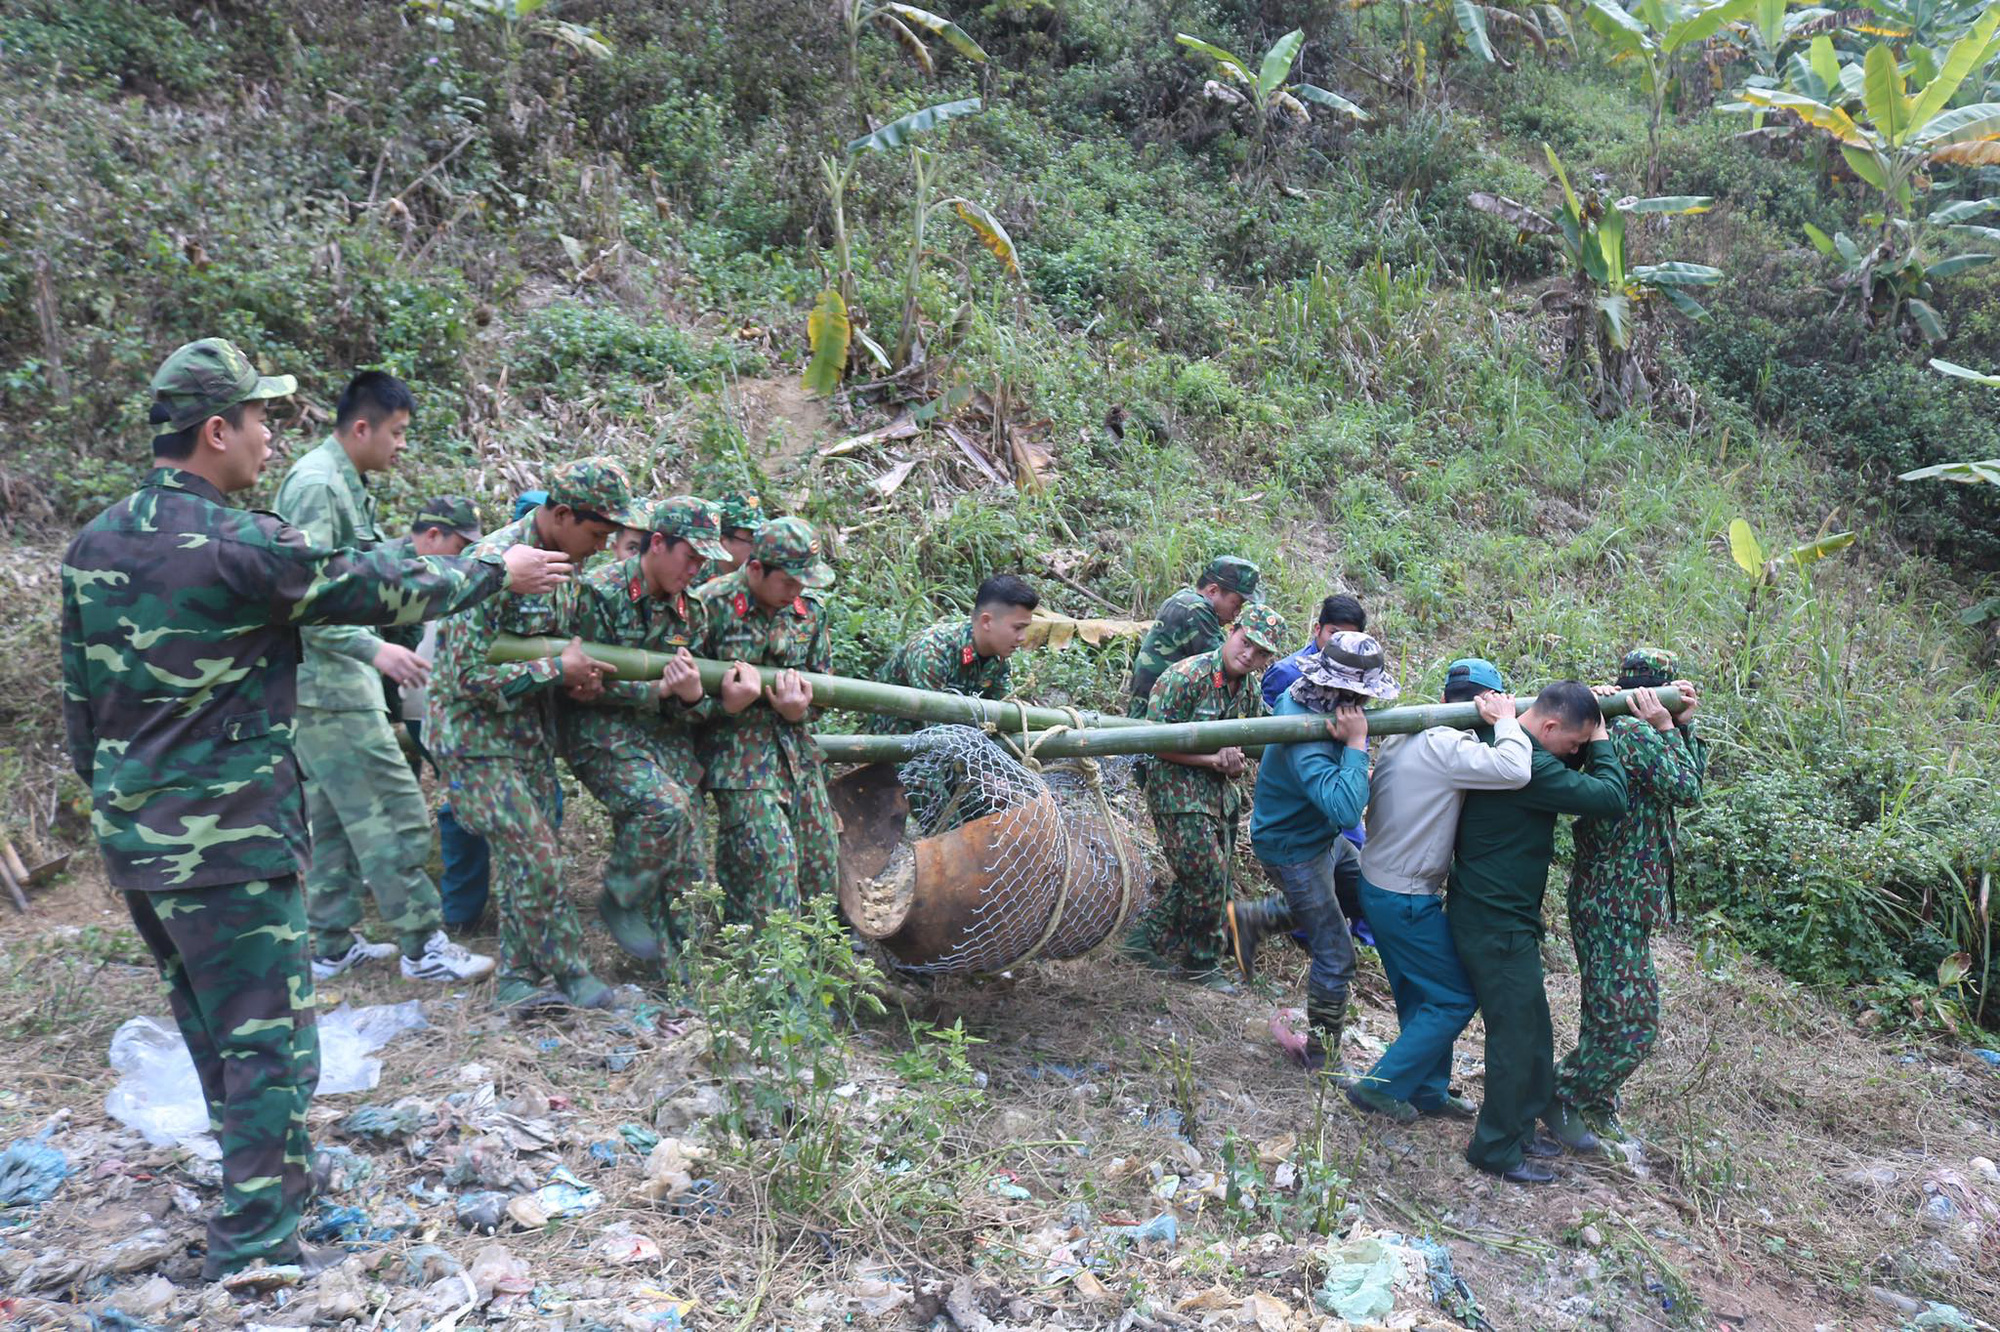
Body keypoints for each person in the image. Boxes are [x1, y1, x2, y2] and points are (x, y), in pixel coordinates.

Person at [59, 338, 567, 1278]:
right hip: (227, 843)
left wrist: (127, 811)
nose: (268, 438)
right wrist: (497, 568)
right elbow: (374, 586)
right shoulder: (238, 543)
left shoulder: (96, 541)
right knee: (269, 1046)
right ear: (217, 430)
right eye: (258, 420)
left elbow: (80, 713)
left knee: (215, 1031)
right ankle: (255, 1243)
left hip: (138, 840)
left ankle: (270, 1184)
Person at [272, 372, 494, 985]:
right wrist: (374, 649)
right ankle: (424, 946)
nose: (401, 446)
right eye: (396, 434)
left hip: (331, 687)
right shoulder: (317, 486)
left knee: (341, 820)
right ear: (362, 427)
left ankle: (330, 944)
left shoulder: (342, 483)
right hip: (332, 687)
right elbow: (306, 599)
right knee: (394, 809)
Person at [429, 459, 643, 1010]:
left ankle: (519, 980)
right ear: (564, 514)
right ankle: (573, 975)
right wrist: (555, 671)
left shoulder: (567, 564)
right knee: (537, 853)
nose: (600, 547)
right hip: (473, 739)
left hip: (527, 737)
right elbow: (462, 676)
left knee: (533, 858)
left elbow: (562, 651)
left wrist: (579, 683)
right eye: (597, 534)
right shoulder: (490, 564)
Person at [1448, 681, 1627, 1184]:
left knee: (1534, 1029)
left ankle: (1521, 1127)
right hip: (1495, 922)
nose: (1576, 754)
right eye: (1573, 744)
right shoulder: (1527, 766)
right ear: (1549, 726)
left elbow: (1560, 767)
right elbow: (1610, 796)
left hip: (1502, 918)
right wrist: (1602, 739)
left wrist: (1588, 719)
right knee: (1515, 1037)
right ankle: (1496, 1148)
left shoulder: (1519, 750)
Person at [1341, 658, 1532, 1123]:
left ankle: (1427, 1089)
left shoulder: (1411, 728)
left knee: (1418, 993)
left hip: (1381, 882)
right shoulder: (1447, 744)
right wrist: (1507, 724)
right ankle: (1379, 1087)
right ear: (1485, 702)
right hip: (1404, 895)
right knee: (1454, 997)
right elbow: (1515, 770)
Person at [559, 496, 731, 965]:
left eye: (703, 560)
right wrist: (652, 691)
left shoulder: (693, 611)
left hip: (665, 740)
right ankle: (619, 897)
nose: (695, 568)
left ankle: (676, 973)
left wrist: (693, 696)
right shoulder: (599, 593)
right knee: (664, 807)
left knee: (691, 861)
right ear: (657, 543)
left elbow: (692, 707)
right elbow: (577, 687)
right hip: (603, 732)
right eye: (689, 556)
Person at [1550, 649, 1705, 1146]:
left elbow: (1689, 772)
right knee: (1633, 1021)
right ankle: (1562, 1096)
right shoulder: (1630, 734)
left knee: (1606, 1012)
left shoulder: (1636, 732)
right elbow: (1688, 788)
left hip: (1624, 902)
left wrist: (1682, 727)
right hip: (1609, 901)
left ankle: (1597, 1102)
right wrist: (1662, 726)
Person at [1231, 632, 1399, 1071]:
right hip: (1294, 847)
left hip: (1320, 838)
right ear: (1337, 688)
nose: (1363, 704)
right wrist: (1357, 745)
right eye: (1358, 695)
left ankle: (1255, 917)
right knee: (1336, 953)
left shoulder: (1328, 704)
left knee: (1364, 899)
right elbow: (1345, 808)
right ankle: (1320, 1056)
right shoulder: (1304, 724)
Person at [1120, 603, 1287, 989]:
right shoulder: (1186, 677)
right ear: (1232, 632)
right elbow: (1154, 743)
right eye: (1246, 643)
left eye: (1260, 653)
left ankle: (1143, 941)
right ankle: (1201, 963)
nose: (1249, 655)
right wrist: (1211, 759)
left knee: (1205, 877)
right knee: (1207, 877)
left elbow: (1242, 747)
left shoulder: (1248, 690)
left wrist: (1231, 764)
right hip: (1176, 791)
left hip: (1216, 794)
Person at [694, 517, 839, 925]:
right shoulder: (708, 605)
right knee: (768, 863)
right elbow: (678, 699)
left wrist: (801, 712)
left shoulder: (809, 612)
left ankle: (818, 966)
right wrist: (726, 705)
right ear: (756, 569)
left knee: (820, 864)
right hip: (736, 759)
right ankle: (764, 966)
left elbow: (824, 686)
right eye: (790, 583)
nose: (798, 593)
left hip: (796, 755)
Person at [385, 496, 494, 929]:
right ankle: (455, 916)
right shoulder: (387, 566)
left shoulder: (438, 572)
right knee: (457, 799)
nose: (466, 557)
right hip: (408, 700)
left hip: (421, 696)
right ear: (433, 535)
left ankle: (456, 912)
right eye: (460, 545)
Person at [867, 574, 1041, 735]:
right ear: (987, 621)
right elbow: (934, 729)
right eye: (1017, 628)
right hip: (899, 742)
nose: (1022, 638)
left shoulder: (998, 660)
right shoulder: (932, 651)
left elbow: (1005, 711)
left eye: (1025, 628)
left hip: (957, 734)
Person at [1124, 556, 1261, 716]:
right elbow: (1221, 669)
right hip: (1158, 706)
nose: (1237, 612)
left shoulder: (1185, 600)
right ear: (1213, 591)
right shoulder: (1195, 609)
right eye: (1236, 604)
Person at [1261, 595, 1367, 707]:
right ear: (1317, 629)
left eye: (1350, 638)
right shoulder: (1286, 673)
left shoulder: (1360, 675)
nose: (1342, 644)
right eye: (1334, 634)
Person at [712, 490, 764, 575]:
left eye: (762, 539)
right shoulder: (695, 580)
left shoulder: (764, 578)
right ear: (722, 542)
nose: (760, 548)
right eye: (751, 541)